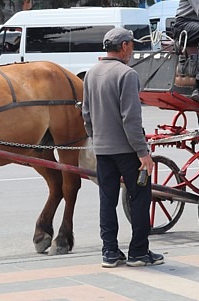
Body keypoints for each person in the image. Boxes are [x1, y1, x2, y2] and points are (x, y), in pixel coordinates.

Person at [82, 27, 164, 268]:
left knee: (107, 200)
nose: (133, 50)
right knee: (139, 198)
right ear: (125, 46)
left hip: (103, 150)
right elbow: (131, 119)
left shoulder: (91, 73)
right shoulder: (127, 75)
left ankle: (109, 251)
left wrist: (96, 138)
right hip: (128, 151)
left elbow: (86, 114)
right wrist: (143, 153)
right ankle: (138, 251)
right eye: (132, 45)